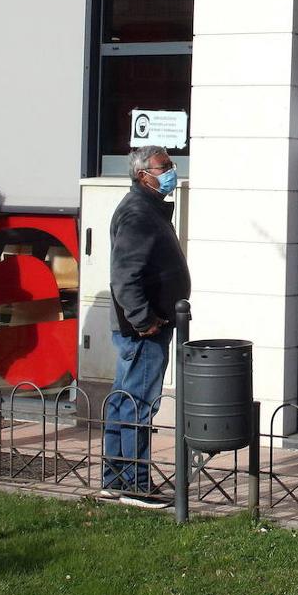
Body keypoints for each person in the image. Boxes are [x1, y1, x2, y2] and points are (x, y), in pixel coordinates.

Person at [101, 146, 191, 509]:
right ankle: (134, 484)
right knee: (136, 404)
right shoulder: (139, 212)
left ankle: (115, 478)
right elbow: (125, 276)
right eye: (164, 166)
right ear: (143, 175)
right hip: (143, 329)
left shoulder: (148, 209)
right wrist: (144, 320)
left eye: (170, 164)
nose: (171, 171)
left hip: (146, 323)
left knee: (125, 400)